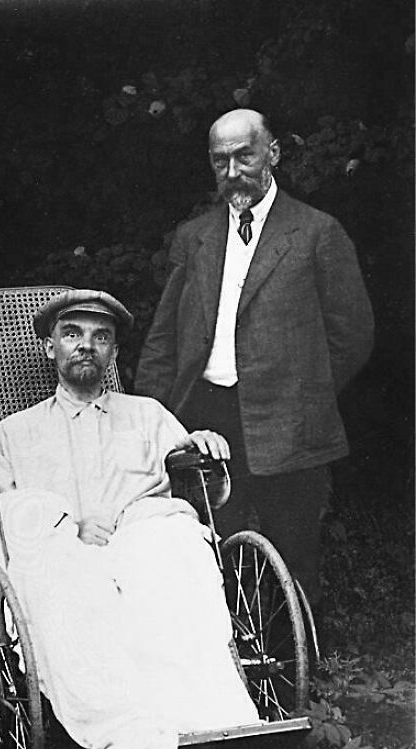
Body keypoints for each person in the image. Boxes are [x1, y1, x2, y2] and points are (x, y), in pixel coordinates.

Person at [0, 288, 260, 749]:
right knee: (65, 585)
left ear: (113, 354)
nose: (85, 347)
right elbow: (10, 514)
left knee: (175, 551)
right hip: (66, 552)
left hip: (141, 547)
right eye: (72, 335)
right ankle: (133, 742)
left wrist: (203, 445)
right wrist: (65, 521)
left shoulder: (149, 416)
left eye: (101, 338)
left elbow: (204, 490)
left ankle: (222, 737)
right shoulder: (15, 432)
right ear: (49, 348)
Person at [135, 109, 374, 609]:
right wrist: (154, 421)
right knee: (208, 551)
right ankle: (224, 674)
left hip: (290, 424)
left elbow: (352, 335)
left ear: (273, 154)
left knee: (293, 555)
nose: (233, 171)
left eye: (244, 155)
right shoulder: (193, 238)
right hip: (205, 419)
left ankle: (291, 678)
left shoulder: (316, 233)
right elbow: (163, 339)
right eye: (219, 161)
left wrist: (304, 395)